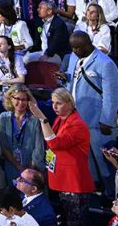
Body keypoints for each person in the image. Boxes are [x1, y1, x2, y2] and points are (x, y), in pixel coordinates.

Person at [29, 89, 92, 226]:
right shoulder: (61, 119)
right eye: (53, 103)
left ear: (70, 104)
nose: (54, 107)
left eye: (59, 103)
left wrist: (42, 119)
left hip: (73, 184)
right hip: (62, 180)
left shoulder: (77, 125)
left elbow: (54, 143)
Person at [64, 32, 118, 184]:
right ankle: (93, 188)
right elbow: (74, 82)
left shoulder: (105, 63)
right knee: (86, 160)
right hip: (78, 119)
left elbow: (112, 94)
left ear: (88, 45)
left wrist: (106, 120)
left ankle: (110, 194)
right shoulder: (75, 58)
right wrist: (65, 79)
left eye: (77, 48)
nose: (75, 51)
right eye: (73, 48)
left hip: (98, 123)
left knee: (103, 162)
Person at [0, 84, 45, 182]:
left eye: (24, 100)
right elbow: (2, 146)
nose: (21, 102)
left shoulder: (35, 120)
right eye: (17, 99)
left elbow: (39, 148)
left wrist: (28, 170)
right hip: (11, 165)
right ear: (11, 98)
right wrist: (18, 167)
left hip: (32, 168)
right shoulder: (3, 117)